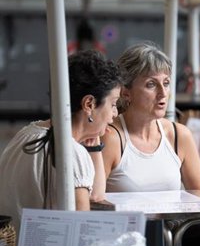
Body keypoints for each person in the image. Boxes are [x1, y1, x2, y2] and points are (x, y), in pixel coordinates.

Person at [101, 43, 200, 246]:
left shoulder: (178, 135)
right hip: (128, 240)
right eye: (151, 84)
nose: (163, 93)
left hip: (173, 236)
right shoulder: (112, 138)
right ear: (126, 91)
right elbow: (94, 202)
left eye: (166, 82)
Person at [0, 50, 121, 231]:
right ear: (89, 104)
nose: (115, 114)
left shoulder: (25, 135)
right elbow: (80, 230)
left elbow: (95, 195)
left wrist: (92, 142)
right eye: (113, 104)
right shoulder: (70, 153)